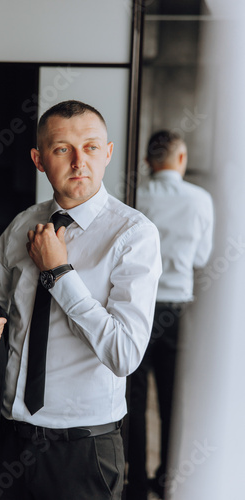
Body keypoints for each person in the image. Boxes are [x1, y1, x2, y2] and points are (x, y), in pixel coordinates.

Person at [0, 100, 162, 500]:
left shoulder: (133, 235)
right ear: (39, 159)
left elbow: (125, 354)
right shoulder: (22, 224)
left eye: (91, 147)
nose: (79, 161)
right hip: (13, 436)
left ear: (108, 153)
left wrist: (58, 274)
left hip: (83, 448)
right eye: (62, 149)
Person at [127, 130, 214, 500]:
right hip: (176, 310)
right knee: (171, 396)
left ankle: (134, 482)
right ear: (180, 160)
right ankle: (166, 479)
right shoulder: (200, 199)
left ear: (147, 161)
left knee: (133, 394)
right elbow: (201, 259)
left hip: (137, 309)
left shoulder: (135, 198)